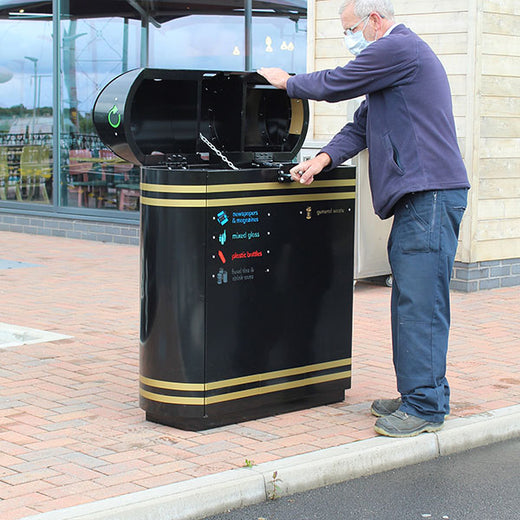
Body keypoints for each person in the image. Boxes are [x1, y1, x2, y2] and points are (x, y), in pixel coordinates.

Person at [258, 0, 470, 438]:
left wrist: (289, 83)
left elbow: (337, 82)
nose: (348, 38)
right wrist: (321, 158)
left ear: (375, 20)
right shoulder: (391, 68)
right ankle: (421, 393)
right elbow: (359, 126)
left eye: (350, 28)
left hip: (429, 195)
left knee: (420, 304)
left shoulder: (399, 48)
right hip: (421, 197)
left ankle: (425, 407)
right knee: (411, 299)